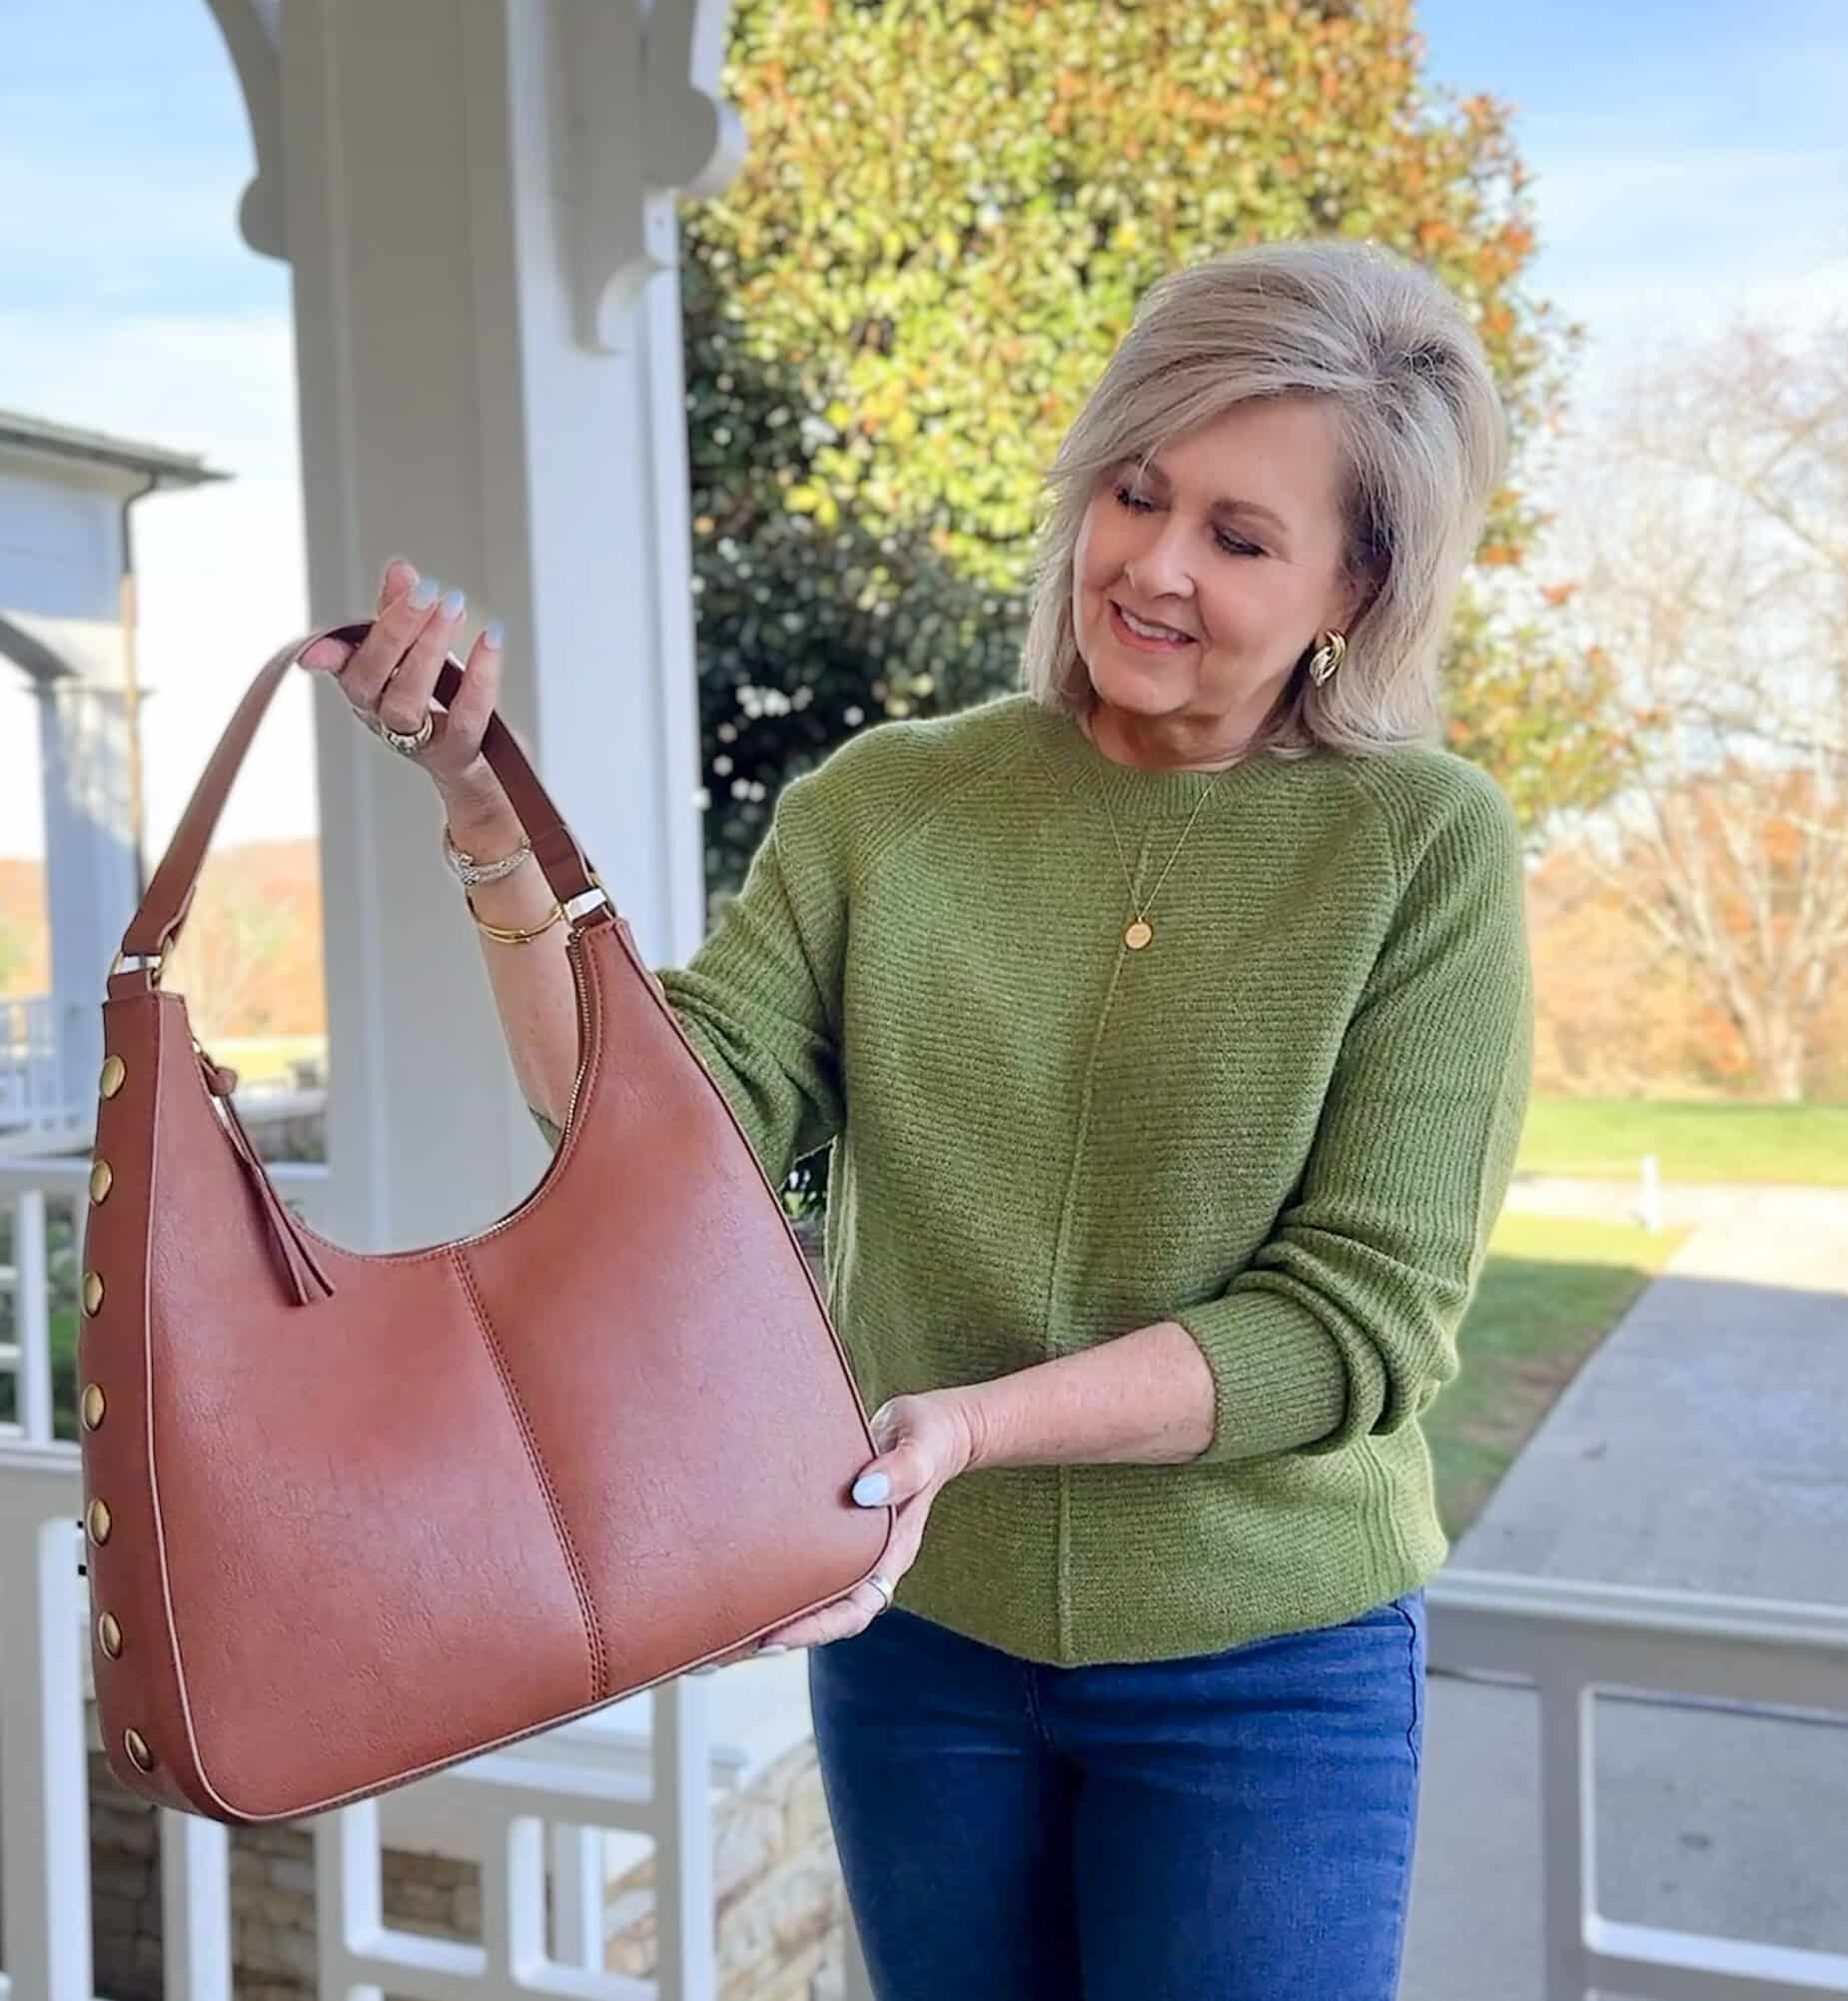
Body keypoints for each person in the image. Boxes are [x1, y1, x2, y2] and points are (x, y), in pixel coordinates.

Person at [303, 238, 1532, 2001]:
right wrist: (489, 827)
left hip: (1264, 1670)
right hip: (923, 1659)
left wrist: (967, 1429)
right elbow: (653, 1130)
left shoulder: (1423, 850)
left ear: (1358, 585)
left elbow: (1354, 1328)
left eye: (1242, 538)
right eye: (1136, 490)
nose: (1155, 564)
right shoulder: (891, 805)